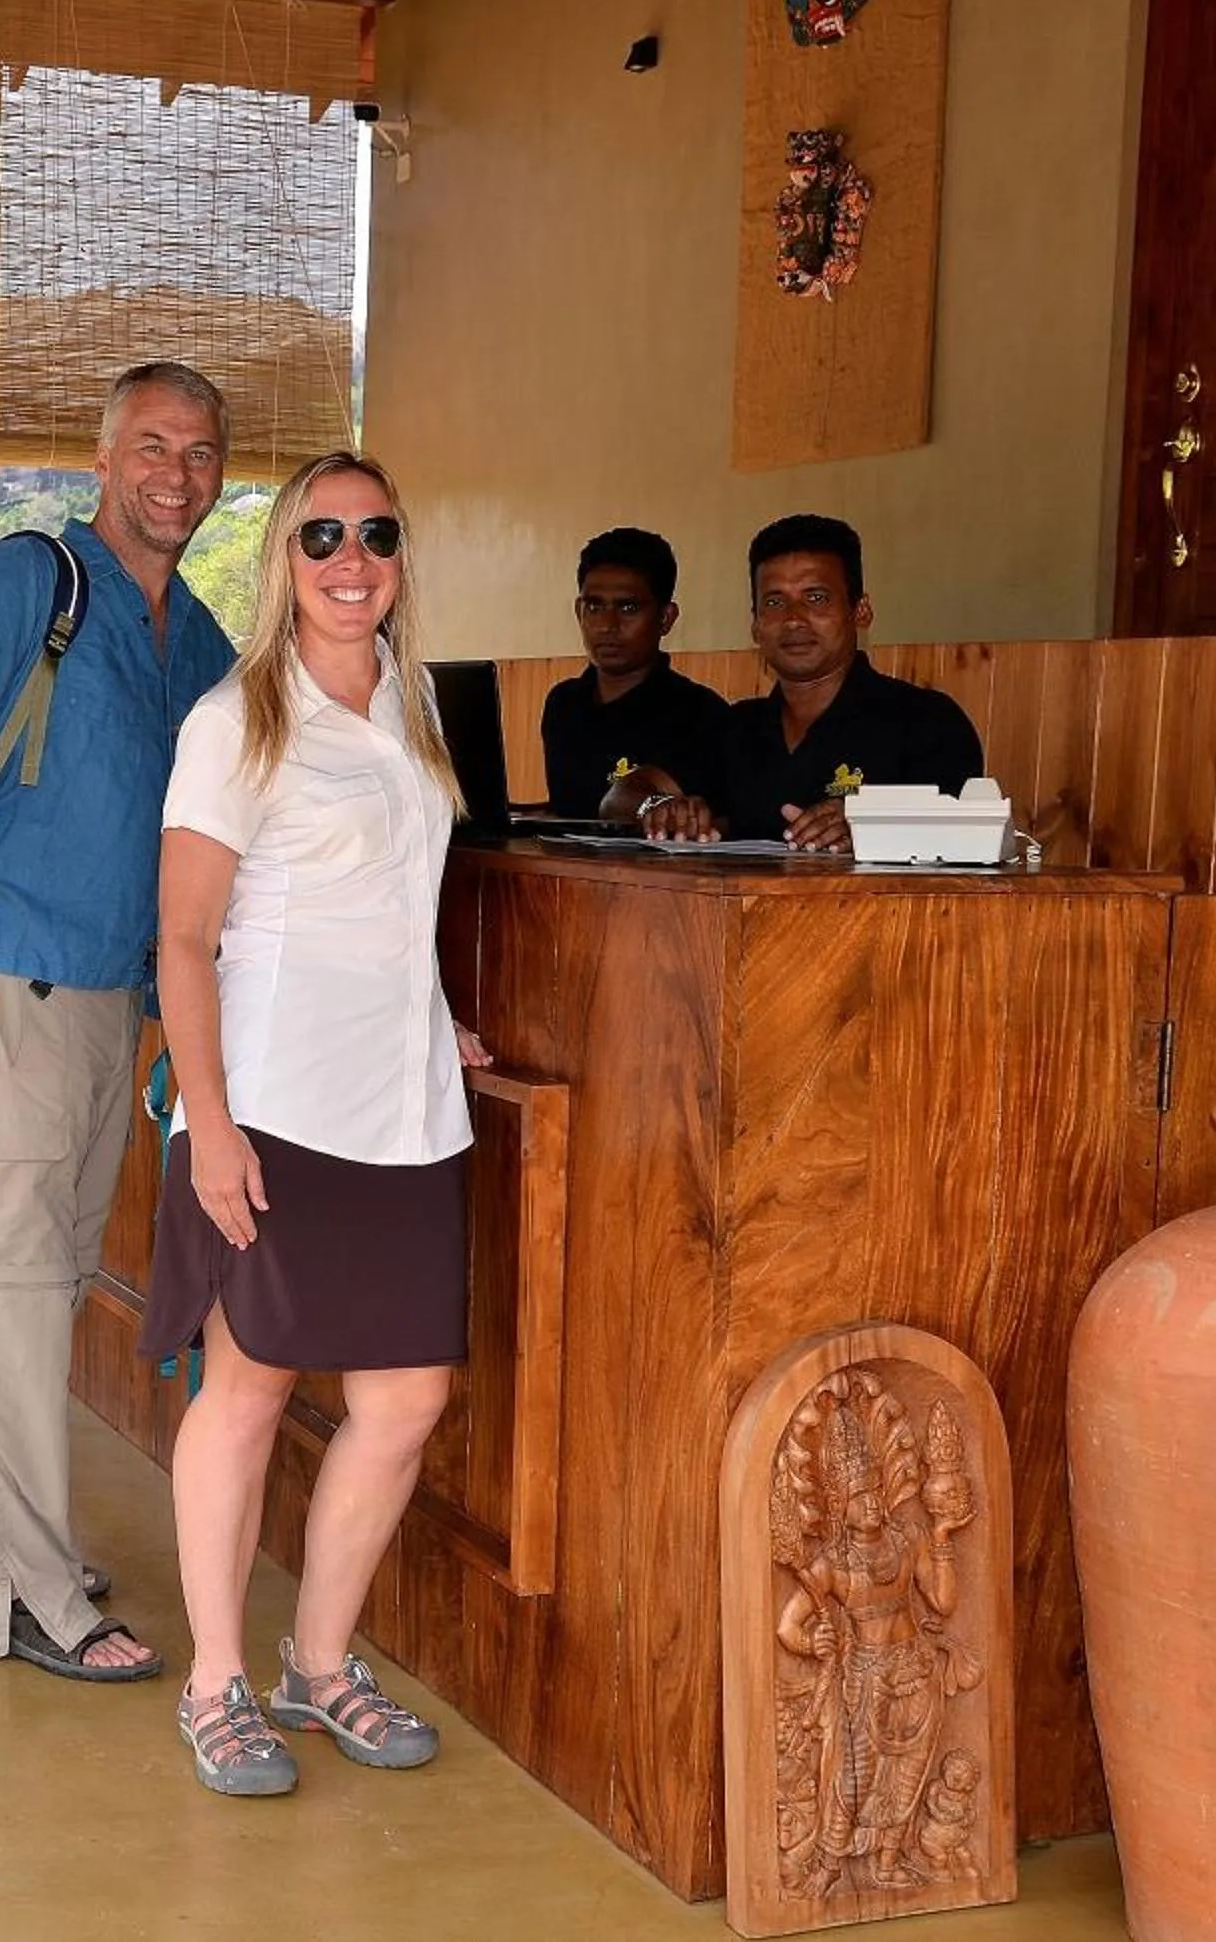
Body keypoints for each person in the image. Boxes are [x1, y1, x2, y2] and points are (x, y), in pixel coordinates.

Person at [145, 450, 490, 1797]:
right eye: (324, 537)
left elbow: (397, 903)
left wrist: (437, 1012)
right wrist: (212, 1124)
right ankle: (217, 1682)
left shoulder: (414, 706)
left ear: (402, 557)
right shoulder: (239, 720)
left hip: (407, 1107)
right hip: (275, 1106)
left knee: (405, 1397)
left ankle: (319, 1664)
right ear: (284, 559)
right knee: (250, 1389)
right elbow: (183, 940)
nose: (354, 563)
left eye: (378, 536)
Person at [0, 362, 239, 1683]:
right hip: (10, 995)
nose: (178, 474)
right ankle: (29, 1595)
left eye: (202, 454)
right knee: (19, 1296)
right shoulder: (33, 580)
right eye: (153, 446)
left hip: (108, 1013)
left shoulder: (192, 634)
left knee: (33, 1289)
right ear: (103, 458)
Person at [640, 514, 982, 853]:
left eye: (815, 597)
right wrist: (659, 809)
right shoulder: (735, 728)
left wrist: (870, 825)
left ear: (860, 611)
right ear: (756, 625)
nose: (792, 619)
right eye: (774, 602)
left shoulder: (927, 722)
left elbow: (962, 831)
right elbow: (625, 794)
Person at [538, 526, 731, 818]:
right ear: (579, 612)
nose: (607, 625)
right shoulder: (564, 704)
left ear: (665, 618)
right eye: (594, 606)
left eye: (628, 607)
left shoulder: (700, 713)